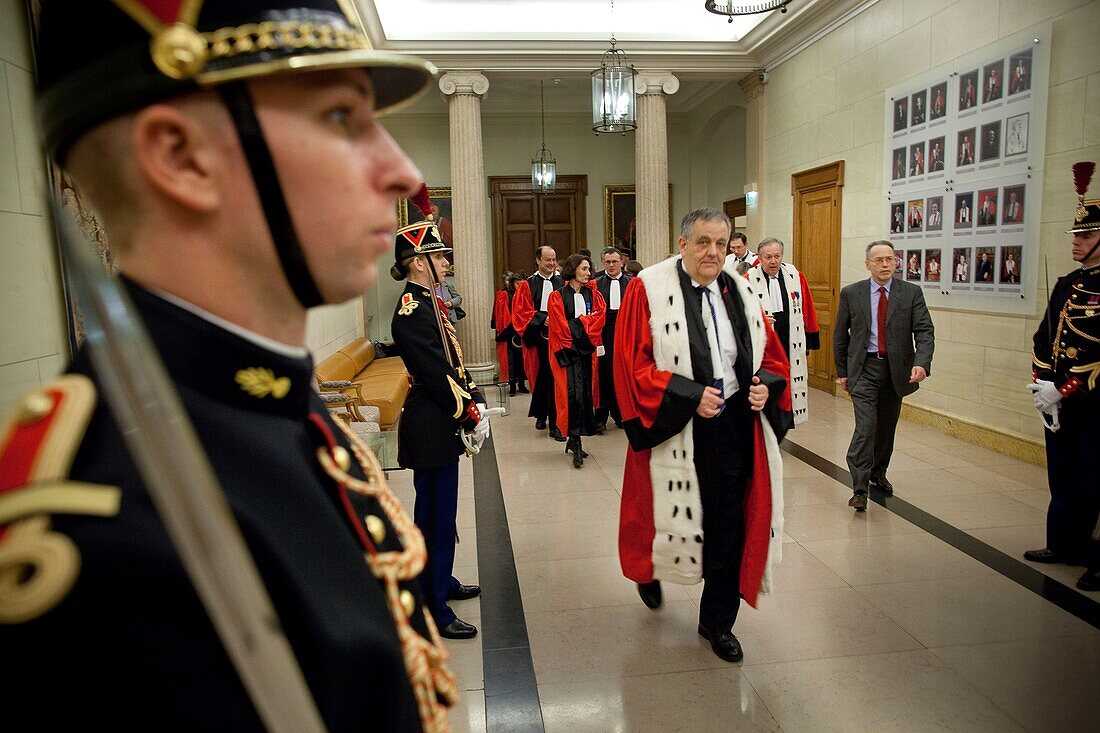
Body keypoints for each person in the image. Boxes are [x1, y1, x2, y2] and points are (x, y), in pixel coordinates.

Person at [1, 2, 456, 730]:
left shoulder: (273, 400)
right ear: (181, 157)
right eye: (343, 118)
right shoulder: (103, 531)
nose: (401, 172)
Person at [616, 207, 792, 664]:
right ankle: (648, 570)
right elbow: (631, 367)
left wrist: (763, 388)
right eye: (702, 242)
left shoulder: (741, 289)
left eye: (721, 242)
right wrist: (689, 395)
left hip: (733, 424)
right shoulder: (648, 289)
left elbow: (772, 357)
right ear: (682, 244)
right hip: (675, 423)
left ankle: (717, 621)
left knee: (729, 523)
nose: (713, 252)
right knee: (658, 514)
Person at [390, 212, 486, 642]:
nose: (445, 262)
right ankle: (434, 606)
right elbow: (432, 371)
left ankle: (440, 580)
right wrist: (466, 408)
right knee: (434, 518)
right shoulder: (412, 311)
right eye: (437, 256)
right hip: (431, 426)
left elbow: (453, 360)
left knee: (442, 516)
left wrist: (475, 394)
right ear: (416, 262)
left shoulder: (430, 301)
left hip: (439, 425)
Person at [1025, 161, 1100, 592]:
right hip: (1061, 401)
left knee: (1097, 481)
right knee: (1065, 474)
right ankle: (1065, 542)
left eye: (1086, 236)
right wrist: (1042, 385)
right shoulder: (1068, 283)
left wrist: (1065, 388)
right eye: (1076, 236)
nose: (1077, 243)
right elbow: (1045, 337)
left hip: (1093, 404)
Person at [835, 241, 935, 510]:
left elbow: (924, 331)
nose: (885, 264)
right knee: (866, 427)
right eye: (878, 260)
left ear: (896, 262)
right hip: (864, 369)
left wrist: (922, 363)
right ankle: (859, 486)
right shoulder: (852, 293)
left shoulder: (910, 293)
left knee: (886, 428)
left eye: (889, 259)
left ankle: (878, 473)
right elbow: (840, 336)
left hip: (896, 371)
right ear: (867, 264)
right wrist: (842, 372)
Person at [745, 238, 820, 425]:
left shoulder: (795, 276)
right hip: (765, 346)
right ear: (759, 258)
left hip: (789, 339)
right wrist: (758, 320)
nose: (773, 261)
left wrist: (809, 339)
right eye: (768, 257)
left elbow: (807, 307)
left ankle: (783, 421)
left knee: (789, 383)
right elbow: (739, 314)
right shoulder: (748, 279)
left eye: (777, 256)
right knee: (766, 384)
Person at [548, 254, 606, 467]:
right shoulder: (557, 296)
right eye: (584, 269)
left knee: (585, 395)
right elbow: (559, 327)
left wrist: (579, 323)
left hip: (586, 351)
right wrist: (584, 325)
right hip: (567, 352)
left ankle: (575, 439)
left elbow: (600, 318)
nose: (588, 274)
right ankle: (575, 440)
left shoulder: (594, 295)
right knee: (571, 395)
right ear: (573, 270)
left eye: (588, 270)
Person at [512, 246, 565, 439]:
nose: (551, 264)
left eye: (554, 259)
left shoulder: (562, 282)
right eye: (547, 260)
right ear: (538, 260)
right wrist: (542, 318)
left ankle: (552, 417)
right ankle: (542, 414)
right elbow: (520, 311)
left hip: (558, 337)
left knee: (554, 377)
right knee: (543, 376)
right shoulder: (527, 285)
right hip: (538, 337)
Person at [593, 246, 634, 431]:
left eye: (614, 262)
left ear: (622, 262)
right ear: (603, 263)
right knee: (602, 373)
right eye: (607, 262)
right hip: (603, 332)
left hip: (624, 332)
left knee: (621, 372)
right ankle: (600, 417)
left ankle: (620, 414)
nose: (611, 265)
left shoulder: (632, 282)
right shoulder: (596, 283)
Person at [492, 271, 526, 394]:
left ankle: (522, 384)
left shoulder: (525, 295)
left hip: (522, 330)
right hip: (509, 330)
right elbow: (501, 314)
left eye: (522, 283)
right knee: (511, 360)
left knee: (522, 359)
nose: (519, 285)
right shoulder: (504, 295)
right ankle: (512, 385)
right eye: (517, 283)